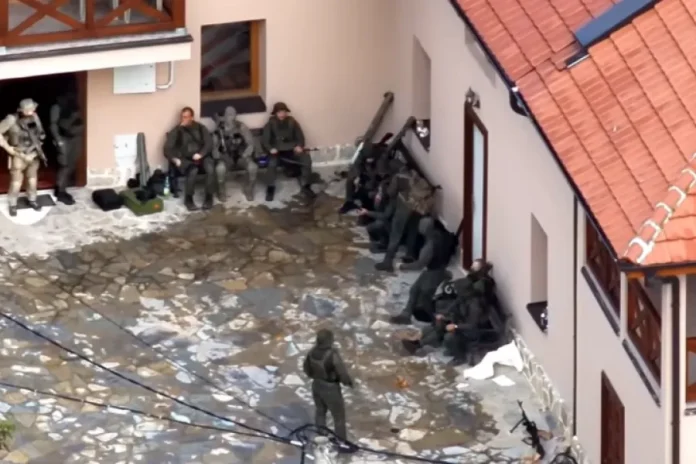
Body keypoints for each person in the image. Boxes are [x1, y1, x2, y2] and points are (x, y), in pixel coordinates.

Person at [302, 328, 357, 454]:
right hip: (330, 388)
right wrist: (349, 382)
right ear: (328, 340)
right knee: (338, 417)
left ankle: (320, 437)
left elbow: (306, 368)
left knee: (320, 411)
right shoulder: (332, 354)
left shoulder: (312, 352)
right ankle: (341, 443)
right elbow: (342, 372)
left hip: (316, 385)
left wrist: (315, 376)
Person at [389, 217, 452, 324]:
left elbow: (419, 264)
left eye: (421, 226)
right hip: (437, 269)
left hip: (433, 273)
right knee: (414, 290)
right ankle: (406, 315)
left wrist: (402, 266)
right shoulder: (438, 235)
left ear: (424, 229)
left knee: (425, 299)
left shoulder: (430, 245)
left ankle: (437, 323)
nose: (419, 228)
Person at [375, 169, 436, 272]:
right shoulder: (414, 175)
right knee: (412, 230)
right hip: (417, 206)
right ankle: (410, 255)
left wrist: (384, 190)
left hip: (405, 203)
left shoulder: (397, 176)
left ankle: (387, 262)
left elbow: (391, 193)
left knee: (395, 234)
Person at [0, 99, 46, 217]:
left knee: (32, 180)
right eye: (28, 110)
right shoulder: (11, 119)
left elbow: (41, 134)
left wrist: (36, 150)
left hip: (33, 154)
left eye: (33, 109)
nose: (31, 111)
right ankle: (12, 204)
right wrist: (8, 148)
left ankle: (32, 199)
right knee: (16, 182)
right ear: (21, 110)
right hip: (18, 154)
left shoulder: (35, 117)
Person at [261, 102, 314, 201]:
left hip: (292, 149)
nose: (282, 114)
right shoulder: (270, 124)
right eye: (279, 112)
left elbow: (300, 137)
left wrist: (299, 146)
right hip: (277, 151)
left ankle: (306, 185)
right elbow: (265, 140)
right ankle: (270, 187)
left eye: (283, 112)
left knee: (306, 159)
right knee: (272, 164)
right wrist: (270, 149)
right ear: (275, 113)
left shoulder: (292, 122)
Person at [164, 107, 214, 211]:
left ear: (192, 117)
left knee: (210, 168)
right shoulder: (177, 130)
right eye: (183, 117)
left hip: (201, 156)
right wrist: (175, 159)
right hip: (185, 158)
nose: (184, 119)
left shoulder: (200, 128)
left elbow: (209, 143)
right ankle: (189, 199)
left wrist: (201, 154)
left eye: (186, 117)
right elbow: (167, 148)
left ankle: (209, 197)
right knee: (192, 170)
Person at [211, 106, 257, 201]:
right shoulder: (219, 129)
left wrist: (245, 154)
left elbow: (250, 143)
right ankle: (221, 191)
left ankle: (249, 189)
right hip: (226, 157)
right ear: (224, 116)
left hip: (240, 156)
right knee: (220, 169)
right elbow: (214, 147)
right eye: (229, 115)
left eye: (233, 114)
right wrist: (217, 153)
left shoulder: (241, 127)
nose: (231, 117)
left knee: (253, 167)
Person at [50, 91, 83, 206]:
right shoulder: (57, 107)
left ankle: (63, 189)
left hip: (76, 138)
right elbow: (53, 124)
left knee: (71, 165)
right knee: (64, 165)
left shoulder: (74, 103)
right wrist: (58, 140)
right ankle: (60, 191)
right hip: (64, 139)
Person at [360, 177, 398, 253]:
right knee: (371, 227)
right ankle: (380, 241)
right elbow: (378, 209)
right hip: (387, 222)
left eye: (381, 191)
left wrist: (367, 212)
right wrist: (377, 201)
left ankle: (386, 244)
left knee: (378, 225)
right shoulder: (382, 197)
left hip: (394, 226)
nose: (379, 193)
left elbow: (385, 216)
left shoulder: (393, 201)